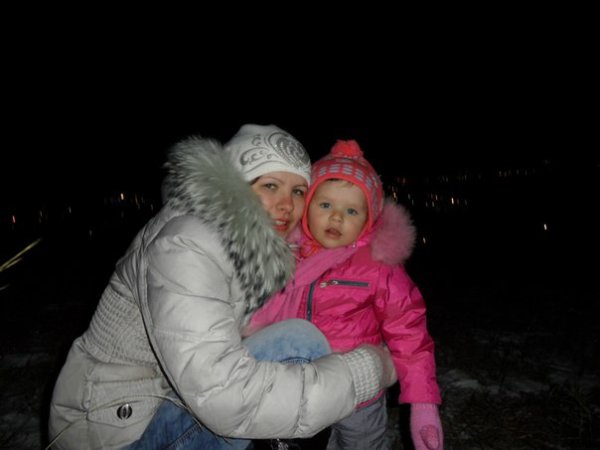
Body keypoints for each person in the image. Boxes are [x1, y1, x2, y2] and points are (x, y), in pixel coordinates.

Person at [47, 125, 396, 450]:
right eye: (270, 186)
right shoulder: (185, 244)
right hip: (113, 430)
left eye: (298, 191)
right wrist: (363, 372)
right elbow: (224, 397)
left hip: (163, 401)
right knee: (298, 343)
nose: (286, 205)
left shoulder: (247, 244)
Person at [245, 139, 444, 450]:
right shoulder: (284, 255)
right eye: (326, 205)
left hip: (357, 391)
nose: (337, 217)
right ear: (307, 206)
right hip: (300, 387)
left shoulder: (378, 266)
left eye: (351, 210)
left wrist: (423, 405)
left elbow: (410, 336)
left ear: (369, 220)